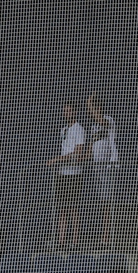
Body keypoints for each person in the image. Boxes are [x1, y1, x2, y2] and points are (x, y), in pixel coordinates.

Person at [46, 100, 86, 251]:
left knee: (72, 208)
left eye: (69, 110)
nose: (67, 113)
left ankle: (74, 241)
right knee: (62, 207)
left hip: (74, 173)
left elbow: (78, 152)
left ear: (75, 112)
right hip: (62, 173)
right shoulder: (63, 130)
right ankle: (61, 241)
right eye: (65, 110)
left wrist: (57, 159)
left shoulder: (79, 129)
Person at [86, 92, 118, 247]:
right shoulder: (93, 127)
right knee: (101, 201)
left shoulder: (108, 120)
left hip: (108, 166)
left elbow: (101, 120)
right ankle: (103, 236)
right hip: (96, 167)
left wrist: (89, 104)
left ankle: (107, 238)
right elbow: (90, 148)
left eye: (95, 108)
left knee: (107, 202)